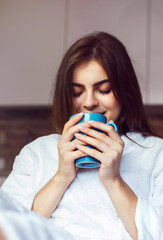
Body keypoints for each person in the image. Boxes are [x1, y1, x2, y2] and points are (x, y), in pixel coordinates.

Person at [1, 31, 163, 240]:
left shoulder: (155, 153)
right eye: (77, 92)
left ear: (125, 91)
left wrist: (113, 180)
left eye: (103, 90)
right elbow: (8, 225)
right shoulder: (37, 153)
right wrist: (61, 177)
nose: (89, 102)